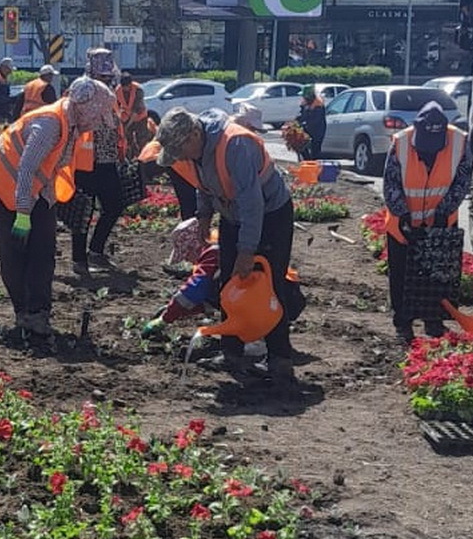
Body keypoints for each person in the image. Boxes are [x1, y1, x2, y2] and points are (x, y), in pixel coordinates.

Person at [145, 106, 297, 383]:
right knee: (229, 282)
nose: (180, 159)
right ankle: (232, 353)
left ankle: (280, 359)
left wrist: (247, 250)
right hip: (232, 214)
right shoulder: (197, 148)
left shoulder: (235, 145)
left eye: (180, 151)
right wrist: (204, 215)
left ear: (193, 135)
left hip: (270, 214)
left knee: (271, 285)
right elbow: (202, 183)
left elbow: (253, 204)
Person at [0, 76, 117, 339]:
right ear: (87, 107)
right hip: (2, 184)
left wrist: (47, 202)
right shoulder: (50, 124)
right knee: (14, 251)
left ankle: (38, 313)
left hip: (33, 186)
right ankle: (23, 313)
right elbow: (26, 169)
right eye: (99, 114)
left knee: (43, 248)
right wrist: (23, 213)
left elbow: (48, 168)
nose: (100, 121)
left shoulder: (71, 122)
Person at [382, 101, 471, 344]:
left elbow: (462, 181)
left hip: (440, 223)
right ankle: (403, 323)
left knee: (438, 274)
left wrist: (444, 211)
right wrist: (402, 215)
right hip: (402, 224)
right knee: (400, 276)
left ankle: (434, 322)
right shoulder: (401, 142)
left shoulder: (459, 142)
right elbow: (391, 184)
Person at [71, 47, 127, 276]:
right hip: (84, 161)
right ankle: (79, 259)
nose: (107, 79)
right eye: (102, 75)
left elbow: (116, 123)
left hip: (106, 159)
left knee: (114, 205)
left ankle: (96, 249)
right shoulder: (80, 89)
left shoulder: (110, 92)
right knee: (82, 211)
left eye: (108, 75)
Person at [116, 72, 151, 160]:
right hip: (127, 117)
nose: (125, 88)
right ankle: (130, 158)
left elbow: (136, 110)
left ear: (130, 84)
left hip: (140, 117)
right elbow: (116, 106)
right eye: (123, 86)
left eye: (126, 86)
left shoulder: (138, 89)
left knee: (142, 139)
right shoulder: (118, 90)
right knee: (127, 140)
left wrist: (127, 126)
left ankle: (144, 159)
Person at [295, 85, 326, 161]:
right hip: (307, 130)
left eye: (304, 96)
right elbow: (301, 115)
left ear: (308, 96)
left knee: (315, 152)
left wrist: (304, 125)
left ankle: (313, 166)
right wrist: (295, 123)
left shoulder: (318, 105)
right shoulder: (306, 103)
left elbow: (315, 120)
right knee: (301, 148)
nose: (303, 98)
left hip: (317, 132)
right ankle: (307, 162)